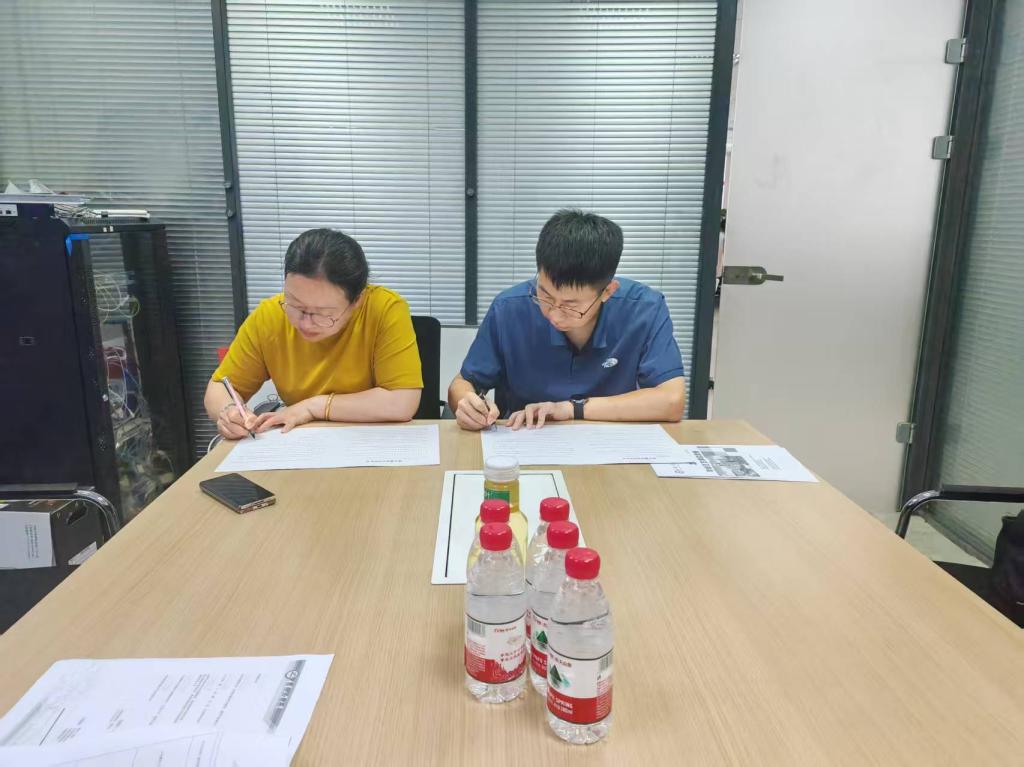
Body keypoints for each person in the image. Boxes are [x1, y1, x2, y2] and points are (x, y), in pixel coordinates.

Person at [448, 209, 686, 431]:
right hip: (526, 439)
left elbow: (671, 400)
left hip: (610, 443)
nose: (553, 314)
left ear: (607, 292)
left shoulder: (644, 310)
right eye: (545, 296)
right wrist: (467, 404)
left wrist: (571, 409)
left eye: (571, 306)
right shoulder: (509, 309)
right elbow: (463, 383)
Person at [205, 228, 422, 439]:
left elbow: (402, 401)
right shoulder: (269, 317)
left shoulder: (383, 310)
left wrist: (313, 407)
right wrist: (229, 412)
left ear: (357, 300)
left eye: (323, 313)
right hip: (300, 443)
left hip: (372, 441)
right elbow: (219, 387)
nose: (306, 323)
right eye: (296, 305)